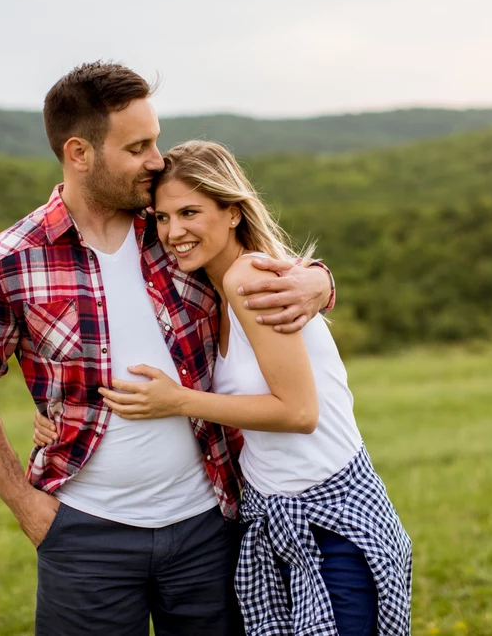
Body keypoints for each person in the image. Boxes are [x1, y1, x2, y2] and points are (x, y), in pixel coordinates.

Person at [0, 62, 336, 636]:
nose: (157, 159)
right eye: (139, 146)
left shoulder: (173, 227)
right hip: (84, 534)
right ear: (80, 153)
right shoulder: (9, 262)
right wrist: (28, 507)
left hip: (211, 525)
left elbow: (260, 254)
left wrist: (318, 280)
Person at [34, 140, 413, 635]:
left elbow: (300, 412)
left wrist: (177, 401)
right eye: (163, 217)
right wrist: (60, 415)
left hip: (329, 516)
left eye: (190, 212)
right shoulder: (209, 293)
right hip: (270, 513)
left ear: (233, 211)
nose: (174, 232)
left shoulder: (248, 278)